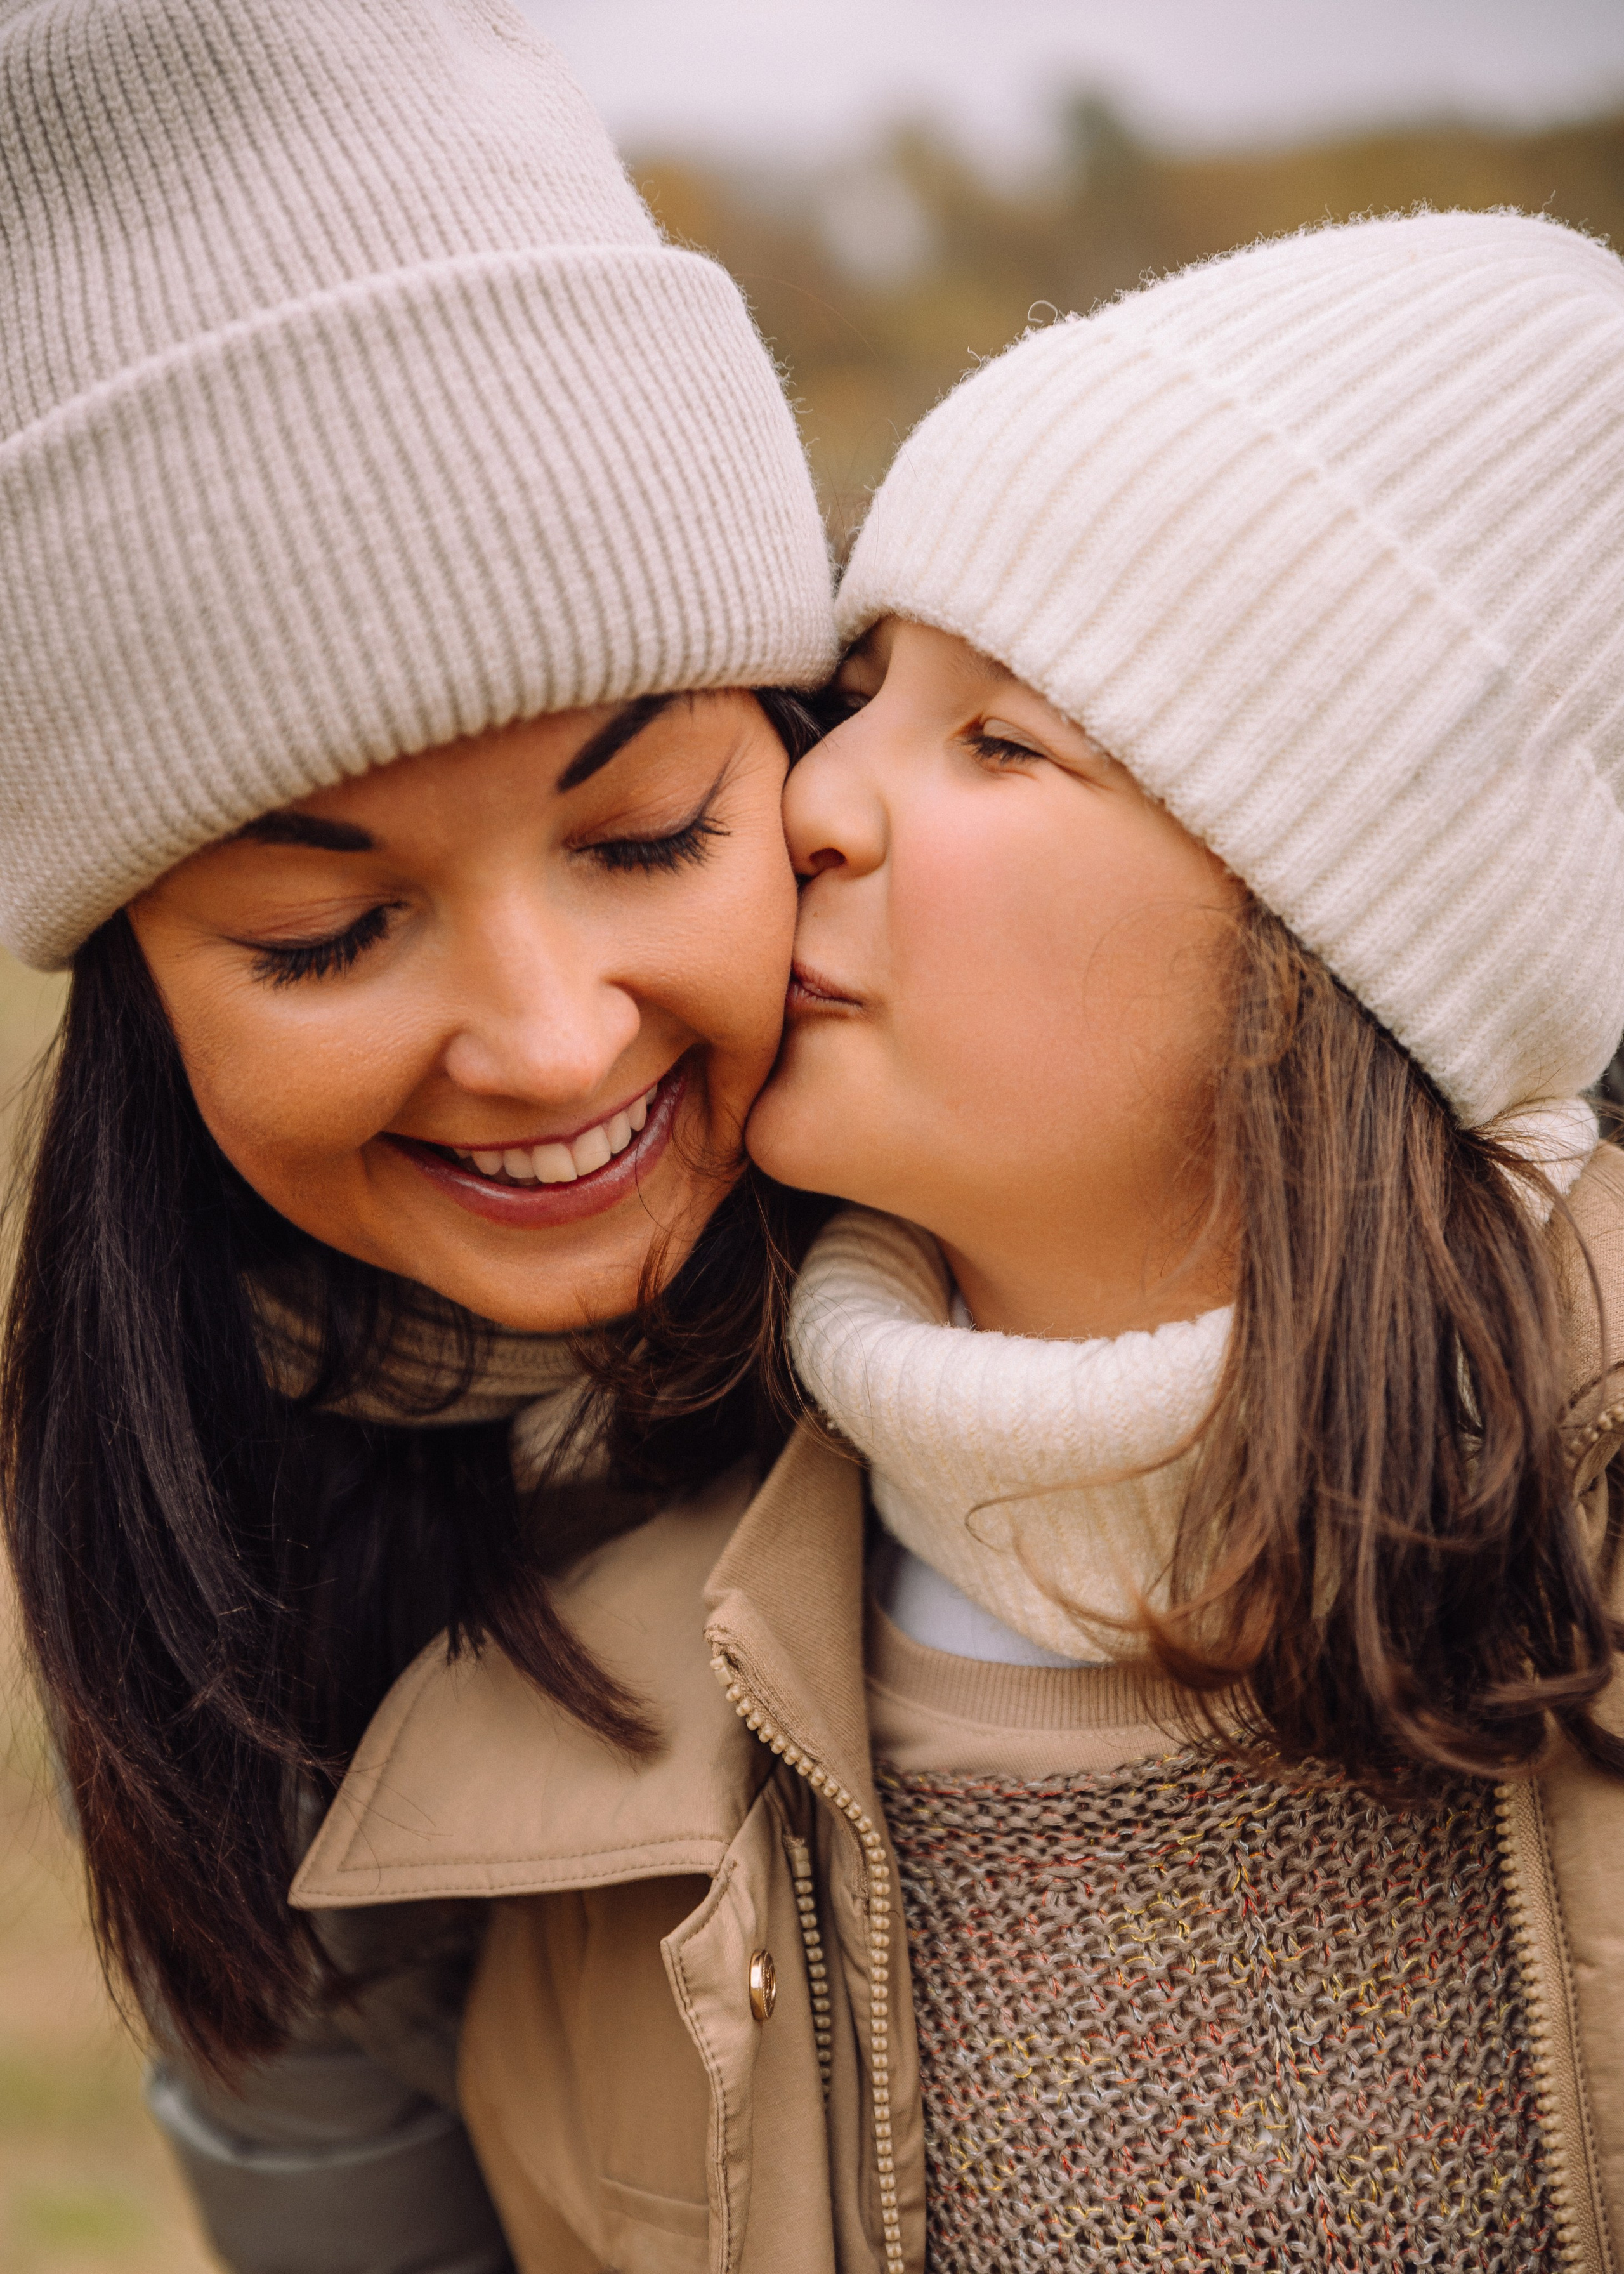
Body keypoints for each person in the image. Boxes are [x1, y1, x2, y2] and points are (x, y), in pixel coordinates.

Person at [303, 210, 1624, 2273]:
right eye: (860, 693)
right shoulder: (574, 1715)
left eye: (1003, 739)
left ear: (1348, 953)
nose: (817, 801)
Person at [0, 3, 834, 2270]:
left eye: (650, 834)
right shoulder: (210, 1525)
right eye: (327, 930)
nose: (555, 1045)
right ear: (138, 994)